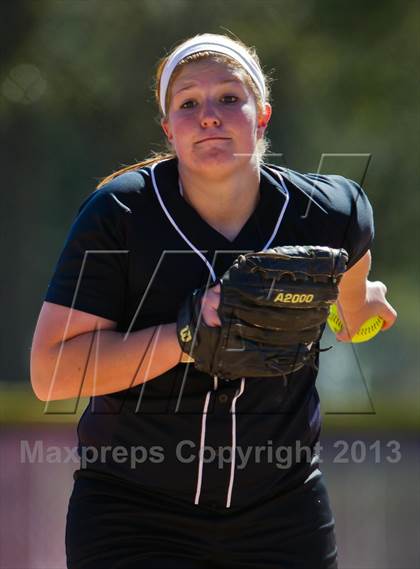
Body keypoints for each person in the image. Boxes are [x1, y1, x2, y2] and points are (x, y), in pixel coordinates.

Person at [30, 33, 397, 569]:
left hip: (283, 510)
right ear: (167, 129)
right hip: (134, 510)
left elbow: (353, 302)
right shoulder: (121, 215)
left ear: (262, 114)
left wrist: (364, 308)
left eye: (229, 97)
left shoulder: (331, 212)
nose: (209, 115)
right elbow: (51, 372)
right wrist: (182, 337)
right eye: (187, 103)